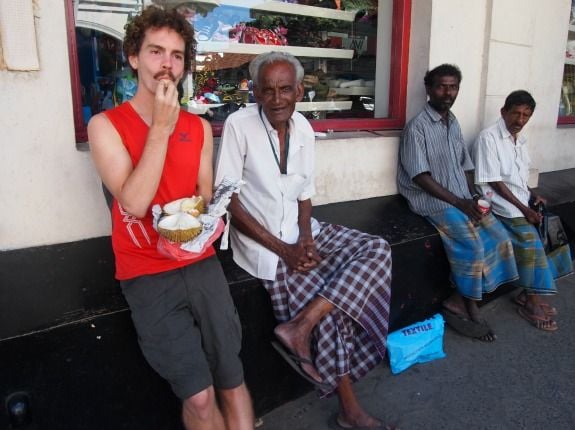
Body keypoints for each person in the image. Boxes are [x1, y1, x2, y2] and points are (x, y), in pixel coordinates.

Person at [87, 7, 254, 430]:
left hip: (200, 265)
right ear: (133, 57)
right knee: (198, 397)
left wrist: (207, 218)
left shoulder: (198, 128)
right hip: (146, 272)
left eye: (177, 55)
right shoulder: (106, 126)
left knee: (232, 378)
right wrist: (160, 127)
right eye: (156, 51)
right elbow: (136, 203)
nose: (167, 64)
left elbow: (201, 196)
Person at [214, 51, 393, 430]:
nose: (277, 99)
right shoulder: (238, 125)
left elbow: (305, 194)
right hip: (264, 247)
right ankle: (350, 410)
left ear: (298, 90)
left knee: (377, 249)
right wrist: (285, 251)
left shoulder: (305, 129)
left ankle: (300, 325)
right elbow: (229, 201)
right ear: (257, 94)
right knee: (324, 298)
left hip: (299, 233)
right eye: (268, 91)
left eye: (285, 89)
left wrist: (307, 240)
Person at [397, 64, 519, 342]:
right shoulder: (417, 127)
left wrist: (472, 197)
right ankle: (471, 304)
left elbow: (464, 166)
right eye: (441, 86)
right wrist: (460, 203)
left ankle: (457, 298)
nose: (448, 92)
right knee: (472, 243)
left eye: (453, 86)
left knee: (500, 236)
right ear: (429, 89)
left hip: (459, 196)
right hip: (431, 200)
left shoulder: (453, 122)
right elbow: (420, 176)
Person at [472, 90, 573, 332]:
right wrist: (523, 209)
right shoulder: (489, 138)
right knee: (530, 243)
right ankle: (532, 300)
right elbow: (495, 181)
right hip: (500, 203)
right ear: (503, 112)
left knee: (551, 233)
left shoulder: (520, 140)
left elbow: (516, 177)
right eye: (516, 113)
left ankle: (528, 293)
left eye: (526, 115)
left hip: (519, 201)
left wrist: (531, 194)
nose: (520, 120)